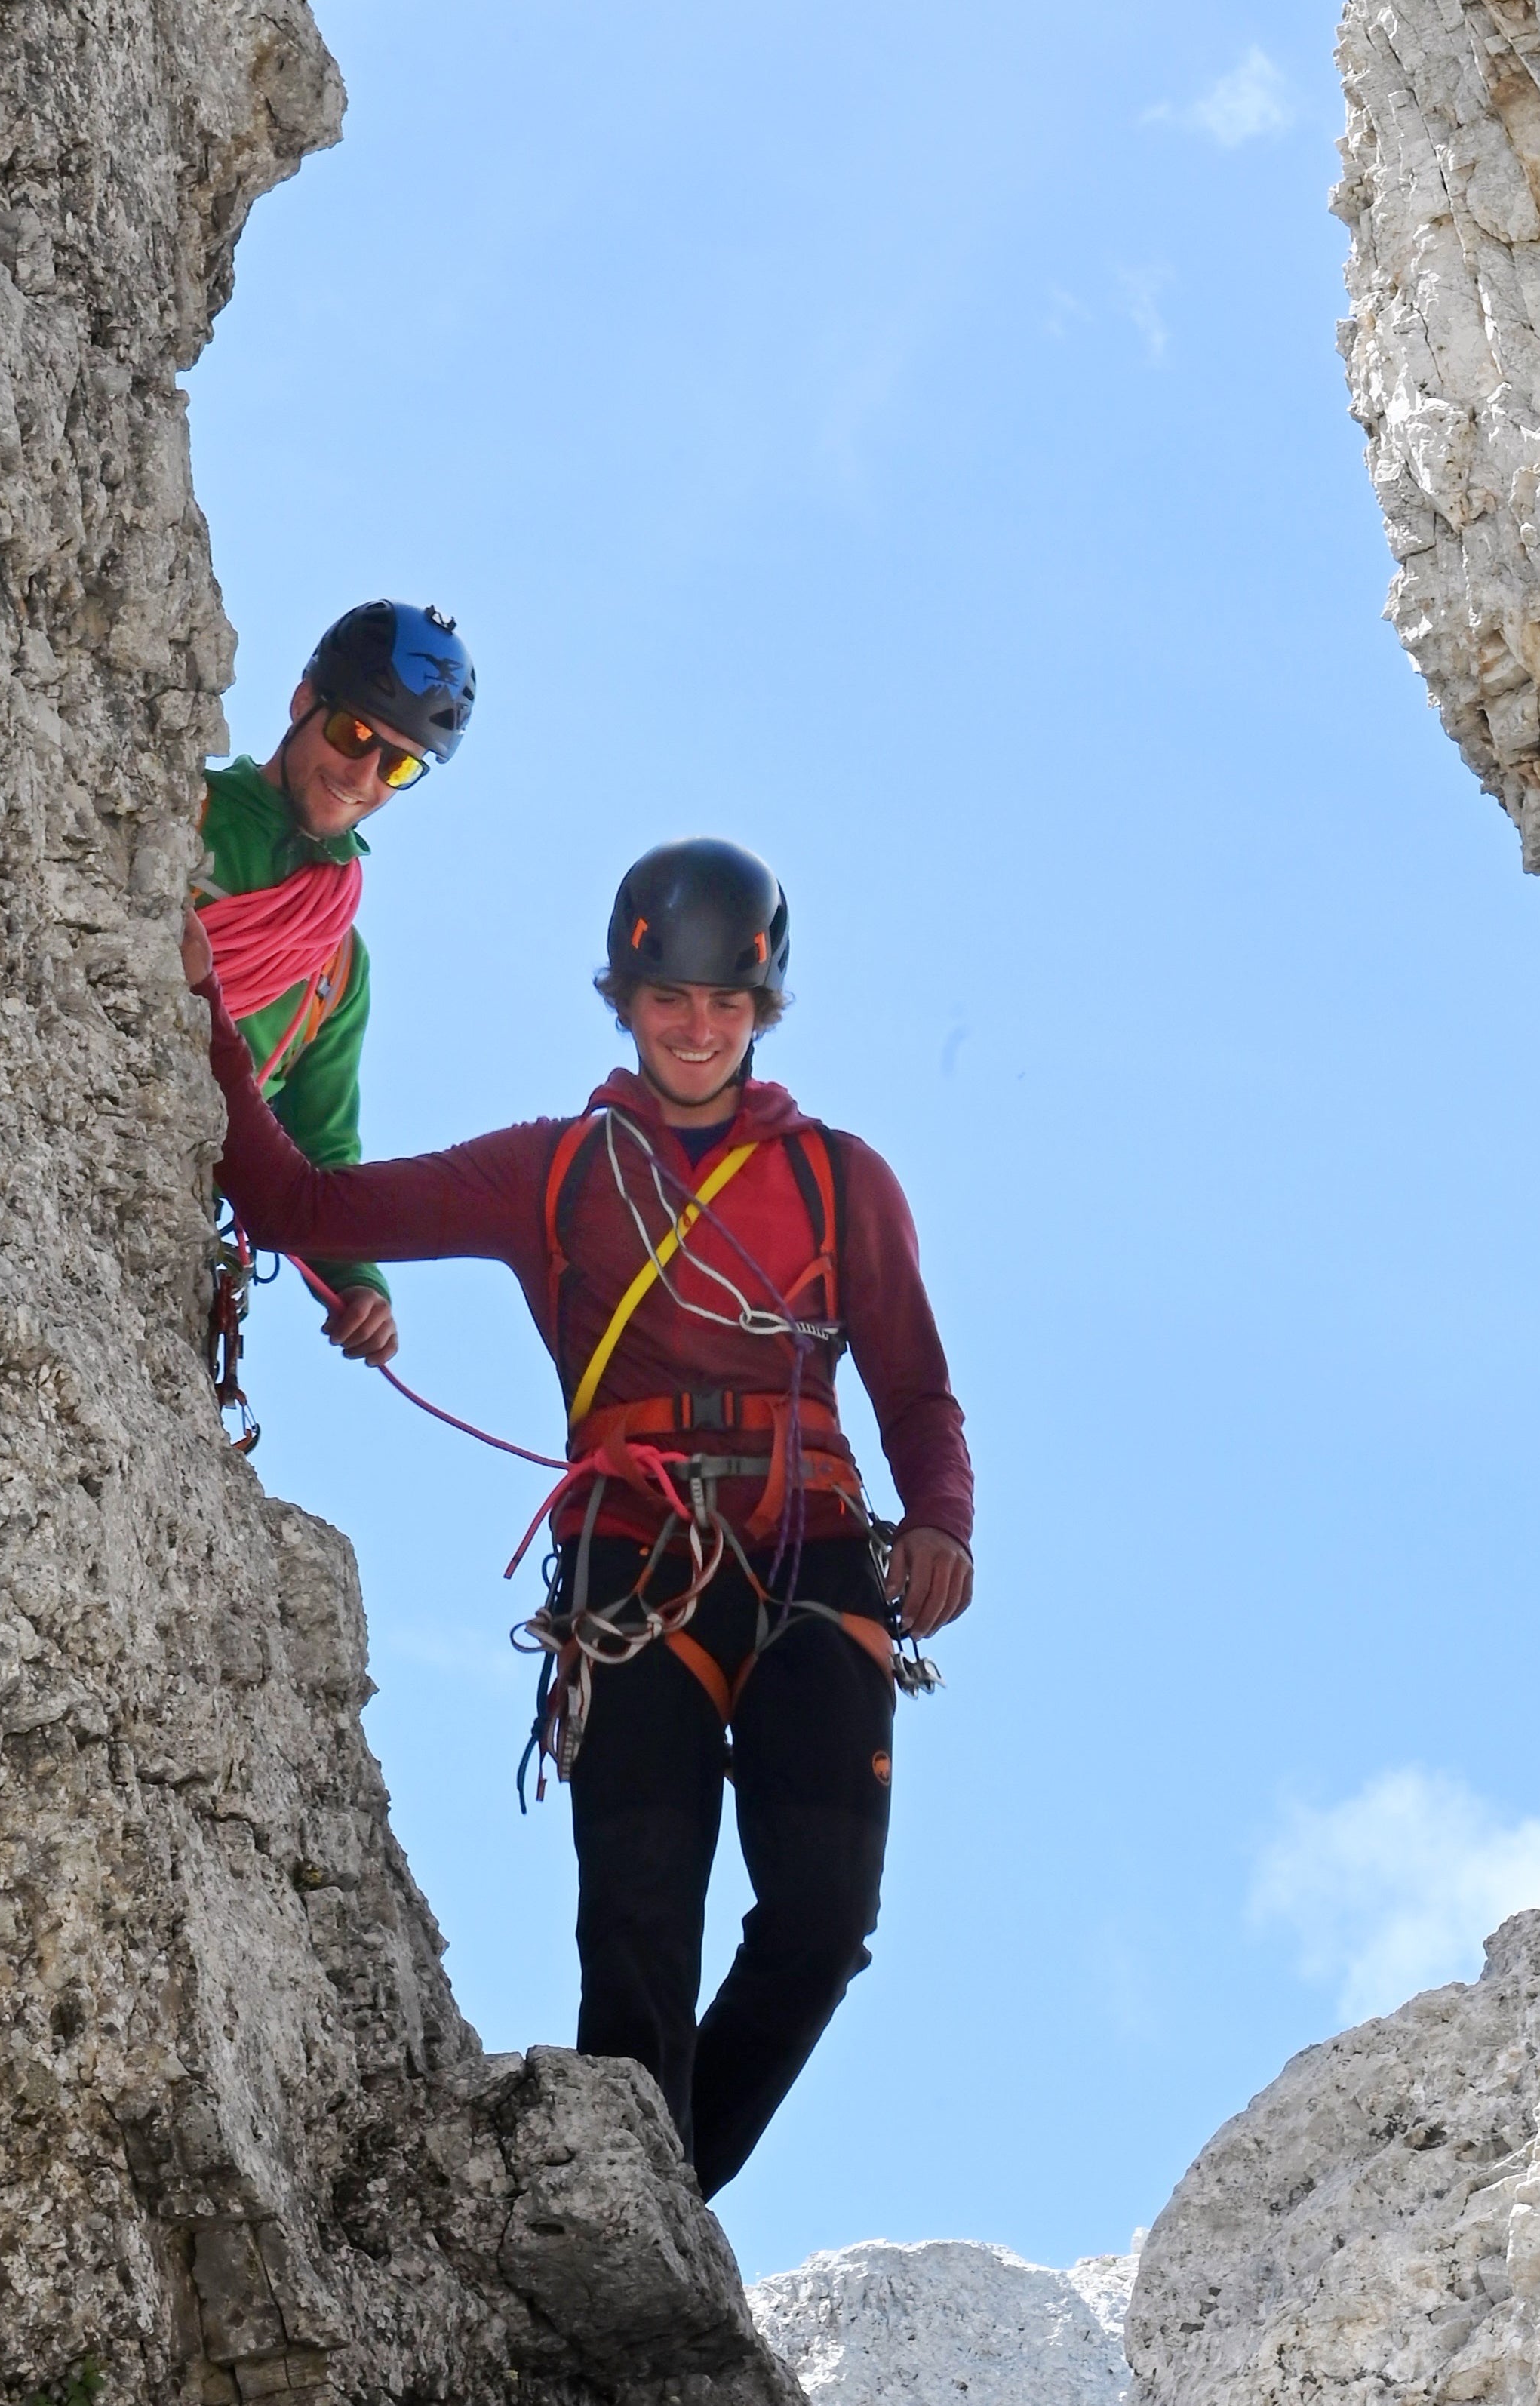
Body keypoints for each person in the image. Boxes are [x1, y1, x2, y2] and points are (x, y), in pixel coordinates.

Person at [181, 838, 973, 2195]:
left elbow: (913, 1386)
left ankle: (655, 2202)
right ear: (626, 999)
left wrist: (942, 1517)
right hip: (635, 1556)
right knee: (636, 1926)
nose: (696, 1028)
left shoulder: (844, 1180)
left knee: (825, 1921)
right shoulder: (552, 1172)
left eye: (725, 1003)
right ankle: (632, 2215)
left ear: (761, 1009)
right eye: (669, 999)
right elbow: (297, 1203)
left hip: (817, 1549)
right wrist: (206, 1008)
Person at [193, 600, 475, 1366]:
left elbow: (319, 1141)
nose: (364, 775)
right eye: (355, 734)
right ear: (301, 702)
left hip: (167, 1206)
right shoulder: (182, 810)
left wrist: (356, 1277)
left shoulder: (337, 965)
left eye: (400, 765)